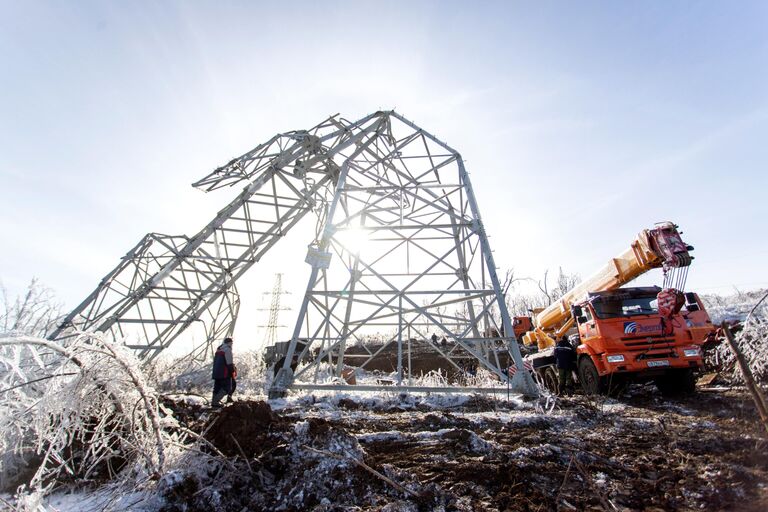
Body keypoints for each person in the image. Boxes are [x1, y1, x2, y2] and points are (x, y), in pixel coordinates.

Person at [211, 337, 236, 408]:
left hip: (216, 372)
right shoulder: (227, 350)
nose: (232, 345)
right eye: (232, 343)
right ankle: (216, 401)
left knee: (217, 388)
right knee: (227, 388)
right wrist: (232, 371)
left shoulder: (218, 350)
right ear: (229, 343)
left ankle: (213, 402)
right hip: (224, 373)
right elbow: (229, 363)